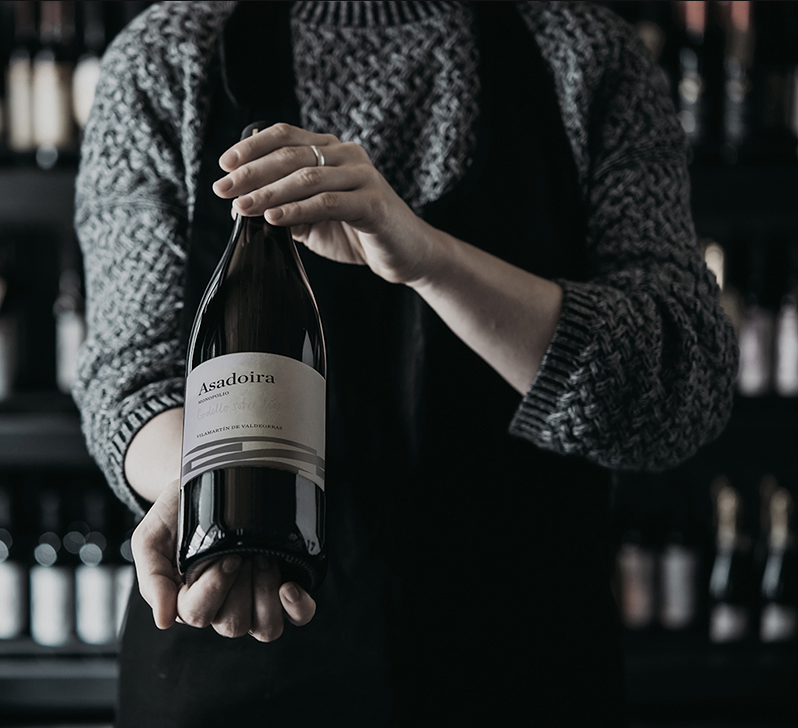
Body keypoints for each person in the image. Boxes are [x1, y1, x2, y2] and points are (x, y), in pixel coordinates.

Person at [72, 2, 738, 726]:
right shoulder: (170, 59)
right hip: (239, 669)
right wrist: (210, 490)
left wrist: (431, 259)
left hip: (523, 671)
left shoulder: (586, 55)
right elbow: (130, 378)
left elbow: (681, 390)